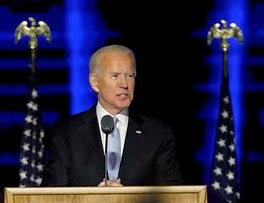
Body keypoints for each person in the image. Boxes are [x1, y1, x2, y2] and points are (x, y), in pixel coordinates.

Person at [42, 44, 183, 187]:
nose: (125, 84)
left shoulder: (158, 134)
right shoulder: (66, 133)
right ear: (94, 82)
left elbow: (172, 196)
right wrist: (91, 200)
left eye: (130, 76)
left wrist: (126, 199)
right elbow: (52, 196)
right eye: (115, 76)